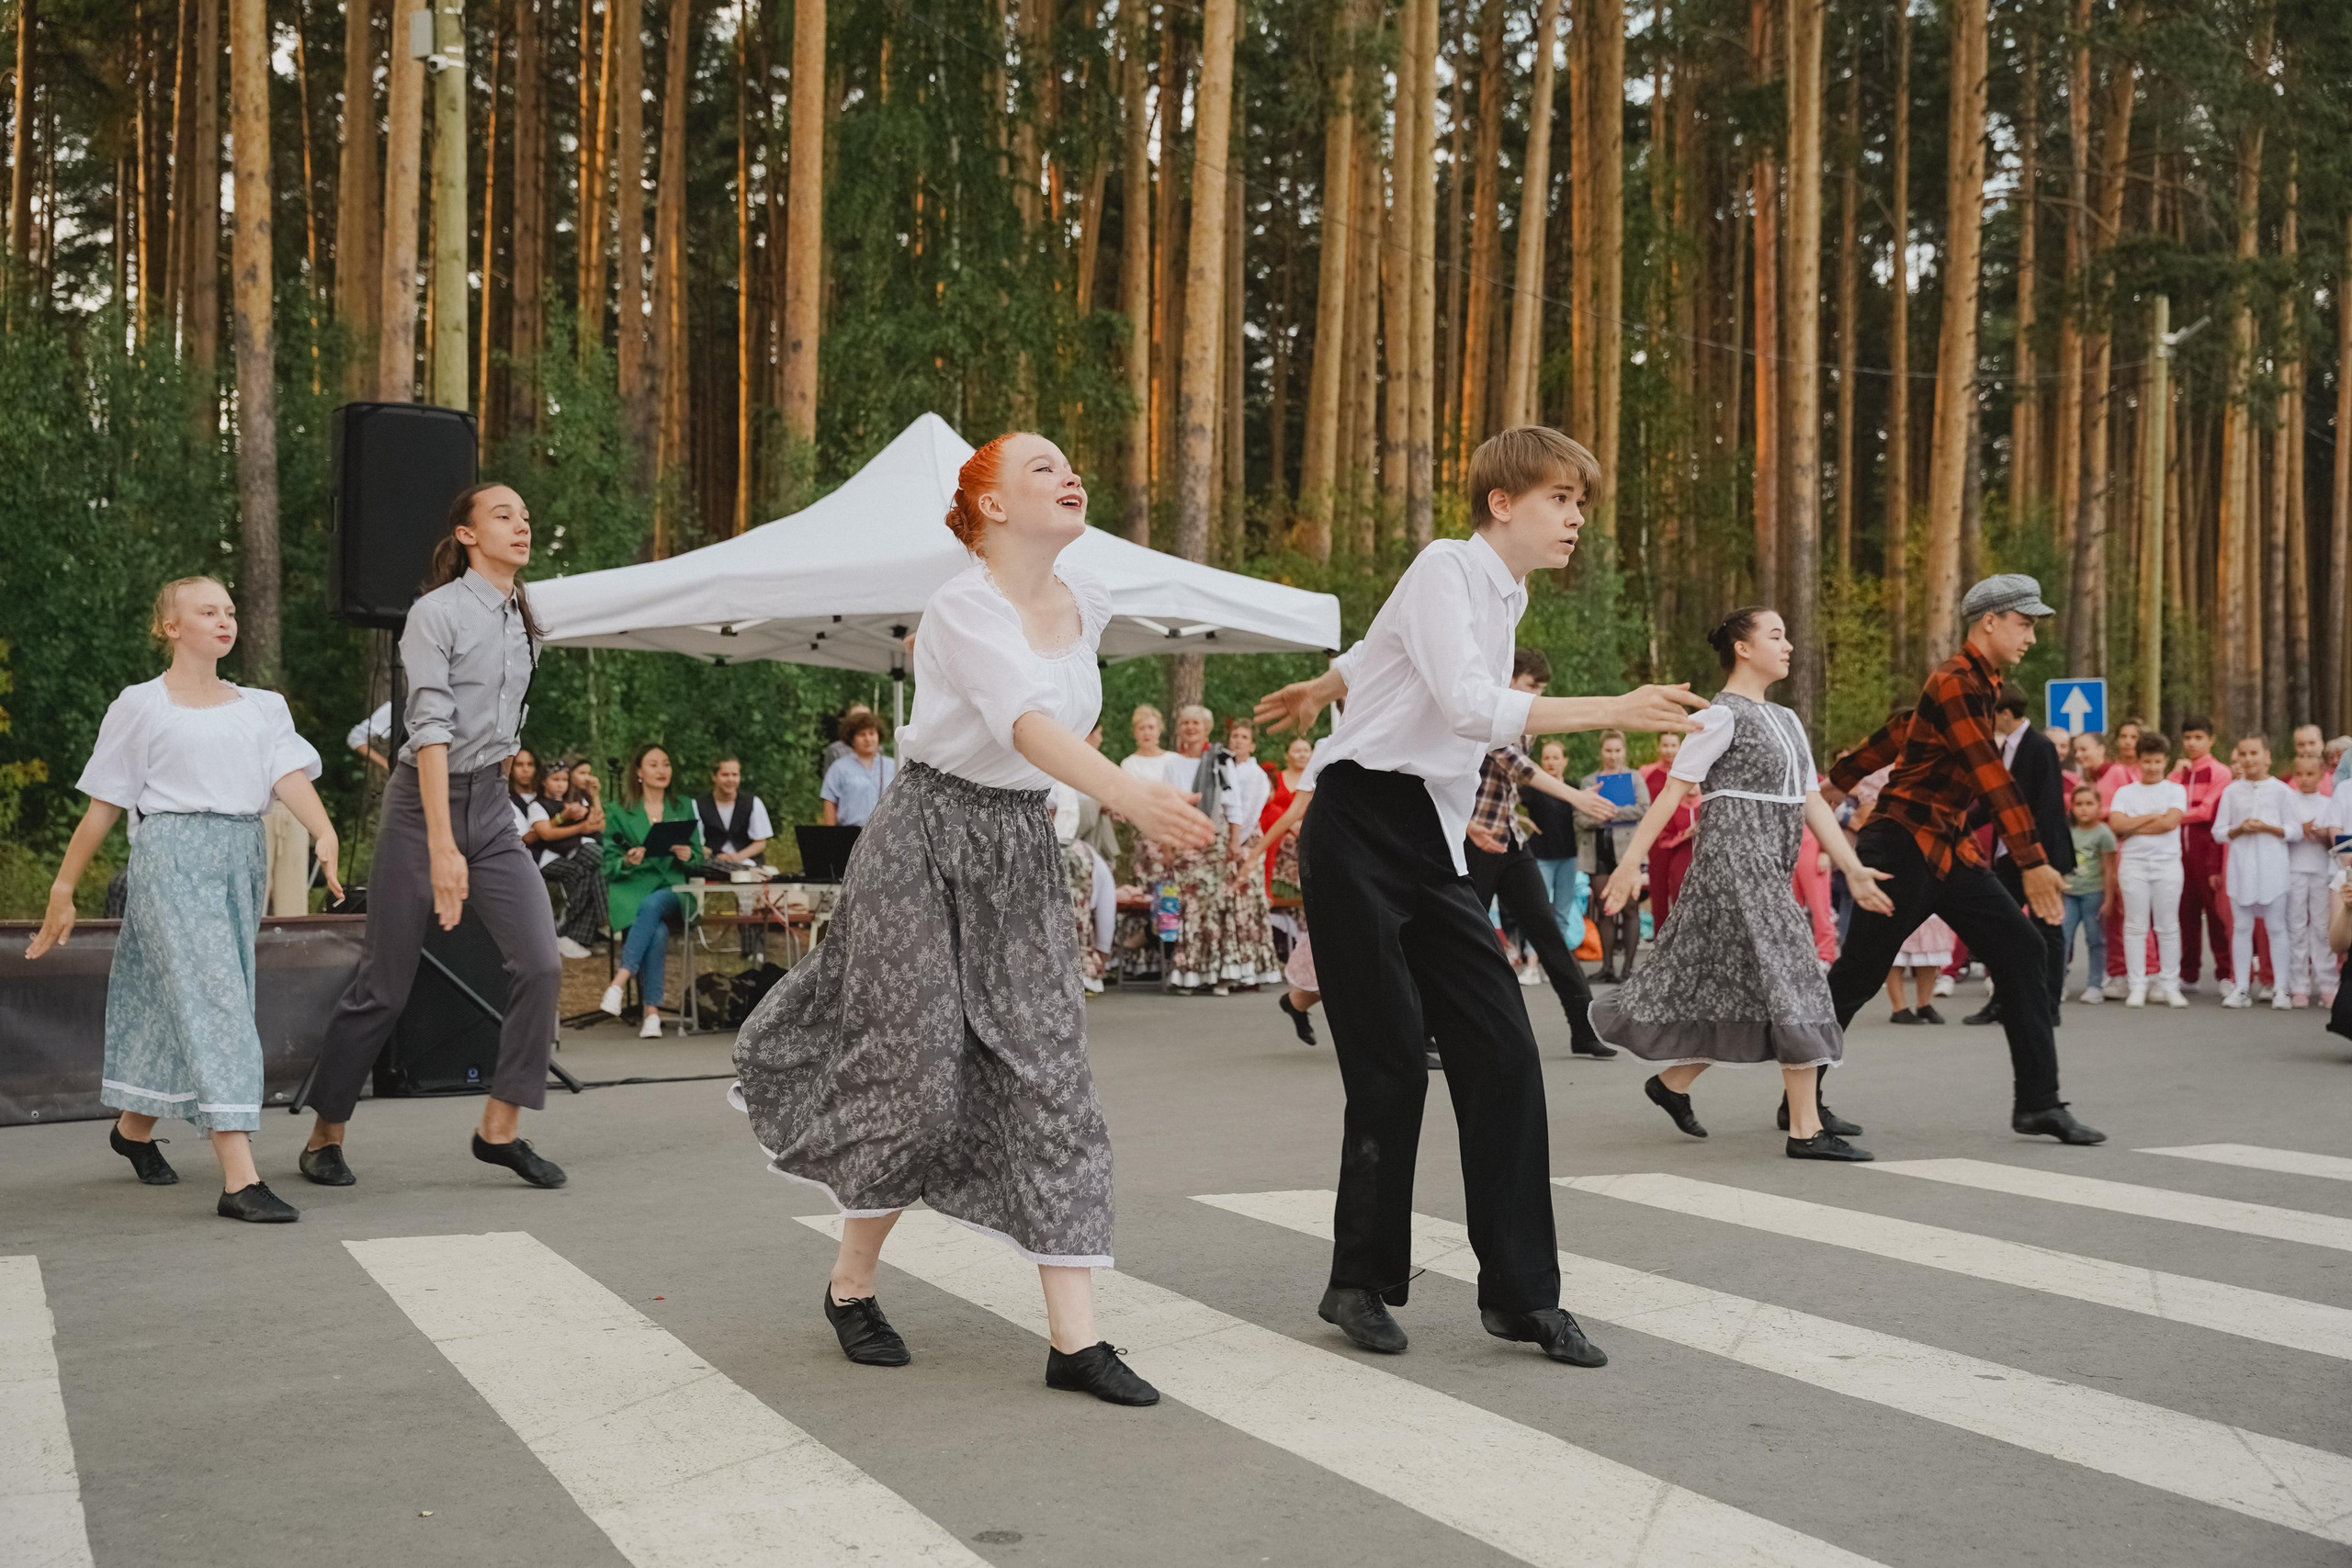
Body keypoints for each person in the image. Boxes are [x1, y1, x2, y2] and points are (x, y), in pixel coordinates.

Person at [731, 432, 1213, 1406]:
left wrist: (1067, 803)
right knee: (913, 1082)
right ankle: (851, 1285)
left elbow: (1056, 736)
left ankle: (1074, 1343)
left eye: (1071, 463)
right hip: (923, 838)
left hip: (1019, 848)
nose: (1070, 474)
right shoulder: (959, 606)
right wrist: (1125, 794)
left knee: (1050, 1074)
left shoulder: (1095, 602)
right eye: (1041, 467)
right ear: (990, 506)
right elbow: (1022, 723)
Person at [1253, 423, 1707, 1368]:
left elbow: (1381, 648)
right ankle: (1358, 1281)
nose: (1577, 516)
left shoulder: (1501, 592)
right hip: (1356, 827)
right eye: (1560, 499)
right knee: (1386, 1067)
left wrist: (1325, 685)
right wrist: (1616, 708)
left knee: (1502, 1052)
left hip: (1429, 837)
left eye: (1581, 501)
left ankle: (1519, 1297)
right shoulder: (1444, 569)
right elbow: (1465, 706)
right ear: (1503, 503)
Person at [28, 576, 341, 1222]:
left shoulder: (263, 705)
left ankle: (133, 1130)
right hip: (171, 855)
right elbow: (104, 805)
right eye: (207, 610)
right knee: (217, 1000)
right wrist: (63, 888)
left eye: (230, 610)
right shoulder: (141, 705)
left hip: (239, 857)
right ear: (171, 626)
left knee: (186, 1001)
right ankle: (239, 1176)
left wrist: (324, 828)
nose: (224, 619)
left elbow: (286, 776)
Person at [301, 484, 569, 1190]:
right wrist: (444, 846)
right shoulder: (435, 614)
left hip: (490, 803)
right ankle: (325, 1131)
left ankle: (499, 1127)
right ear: (468, 534)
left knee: (540, 964)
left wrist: (488, 816)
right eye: (505, 514)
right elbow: (428, 732)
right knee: (384, 986)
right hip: (425, 806)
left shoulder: (525, 620)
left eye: (526, 513)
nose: (523, 523)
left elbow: (501, 730)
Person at [1593, 607, 1894, 1159]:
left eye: (1787, 636)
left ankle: (1672, 1084)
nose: (1788, 646)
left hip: (1770, 862)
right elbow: (1671, 793)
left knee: (1750, 987)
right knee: (1797, 975)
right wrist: (1631, 861)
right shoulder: (1718, 716)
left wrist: (1851, 866)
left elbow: (1810, 801)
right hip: (1734, 861)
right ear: (1742, 648)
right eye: (1776, 636)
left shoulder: (1788, 719)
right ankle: (1805, 1129)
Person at [1821, 574, 2105, 1145]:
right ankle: (1801, 1097)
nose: (2031, 636)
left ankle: (2039, 1104)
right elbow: (1988, 772)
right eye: (2024, 624)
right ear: (1989, 622)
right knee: (1857, 977)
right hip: (1902, 844)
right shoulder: (1957, 680)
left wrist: (1840, 780)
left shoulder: (1981, 683)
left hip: (1947, 848)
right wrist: (2032, 858)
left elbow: (1906, 727)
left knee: (2022, 949)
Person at [1464, 649, 1621, 1060]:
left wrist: (1520, 817)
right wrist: (1574, 796)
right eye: (1532, 687)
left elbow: (1504, 787)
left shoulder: (1525, 722)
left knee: (1549, 931)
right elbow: (1517, 768)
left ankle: (1583, 1030)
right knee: (1460, 936)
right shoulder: (1487, 713)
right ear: (1510, 679)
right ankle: (1423, 1029)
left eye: (1541, 690)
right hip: (1475, 841)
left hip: (1510, 840)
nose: (1536, 696)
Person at [1962, 689, 2075, 1029]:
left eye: (1990, 714)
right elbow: (1995, 801)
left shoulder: (2040, 747)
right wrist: (1960, 822)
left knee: (2048, 931)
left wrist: (2036, 860)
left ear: (2006, 714)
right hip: (2006, 855)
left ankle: (2049, 1005)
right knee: (2003, 931)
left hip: (2040, 857)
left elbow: (2049, 805)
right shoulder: (2000, 749)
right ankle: (2001, 1002)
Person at [598, 744, 703, 1038]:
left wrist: (687, 856)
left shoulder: (683, 805)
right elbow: (608, 864)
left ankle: (619, 981)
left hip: (675, 889)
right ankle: (651, 1014)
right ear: (639, 773)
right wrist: (628, 861)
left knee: (655, 902)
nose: (662, 770)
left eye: (666, 764)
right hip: (634, 888)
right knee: (655, 930)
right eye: (654, 764)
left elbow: (698, 858)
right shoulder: (619, 811)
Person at [2216, 735, 2298, 1010]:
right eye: (2244, 754)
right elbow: (2218, 831)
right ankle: (2240, 987)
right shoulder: (2231, 792)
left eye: (2254, 753)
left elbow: (2295, 830)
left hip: (2273, 868)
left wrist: (2267, 828)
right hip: (2241, 868)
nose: (2249, 759)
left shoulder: (2282, 791)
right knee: (2241, 928)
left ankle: (2281, 988)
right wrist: (2240, 829)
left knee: (2276, 927)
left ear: (2267, 756)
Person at [2109, 731, 2189, 1008]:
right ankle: (2137, 984)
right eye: (2147, 761)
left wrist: (2134, 825)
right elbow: (2117, 825)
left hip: (2167, 863)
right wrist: (2153, 815)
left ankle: (2169, 984)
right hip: (2134, 864)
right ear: (2139, 761)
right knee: (2134, 925)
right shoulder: (2125, 792)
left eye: (2157, 761)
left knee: (2168, 925)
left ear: (2165, 761)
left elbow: (2170, 823)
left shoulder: (2175, 790)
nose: (2153, 766)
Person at [1576, 731, 1651, 982]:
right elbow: (1580, 819)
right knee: (1605, 909)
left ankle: (1628, 969)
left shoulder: (1634, 777)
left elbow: (1643, 807)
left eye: (1617, 750)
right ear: (1601, 752)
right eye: (1608, 751)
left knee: (1630, 907)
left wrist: (1610, 811)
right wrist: (1598, 817)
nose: (1613, 755)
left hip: (1628, 851)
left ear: (1624, 752)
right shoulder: (1589, 782)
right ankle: (1607, 967)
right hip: (1598, 851)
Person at [2171, 716, 2233, 993]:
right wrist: (2174, 774)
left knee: (2216, 914)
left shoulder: (2220, 772)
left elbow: (2206, 811)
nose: (2192, 743)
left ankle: (2225, 973)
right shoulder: (2179, 772)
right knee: (2185, 914)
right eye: (2187, 738)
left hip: (2207, 850)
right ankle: (2188, 973)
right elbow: (2164, 799)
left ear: (2211, 740)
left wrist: (2171, 817)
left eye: (2198, 737)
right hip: (2177, 852)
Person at [699, 755, 777, 958]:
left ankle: (754, 947)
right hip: (712, 863)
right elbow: (698, 844)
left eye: (735, 774)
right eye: (725, 774)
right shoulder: (698, 804)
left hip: (746, 862)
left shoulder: (752, 803)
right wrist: (718, 856)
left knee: (754, 881)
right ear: (714, 777)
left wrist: (738, 857)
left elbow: (761, 842)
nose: (731, 779)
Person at [526, 762, 605, 958]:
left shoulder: (576, 801)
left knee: (592, 875)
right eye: (556, 780)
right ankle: (608, 915)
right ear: (544, 781)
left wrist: (594, 798)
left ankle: (571, 934)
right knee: (606, 862)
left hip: (582, 848)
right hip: (573, 850)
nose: (561, 785)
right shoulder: (538, 805)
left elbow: (600, 824)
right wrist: (577, 824)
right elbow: (544, 833)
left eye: (564, 780)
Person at [1523, 739, 1590, 942]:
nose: (1551, 762)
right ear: (1541, 762)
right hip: (1541, 858)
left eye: (1555, 758)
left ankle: (1558, 963)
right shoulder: (1532, 788)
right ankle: (1533, 962)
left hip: (1568, 858)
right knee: (1539, 911)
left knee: (1562, 913)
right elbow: (1507, 801)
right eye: (1546, 758)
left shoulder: (1573, 788)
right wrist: (1521, 819)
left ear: (1565, 761)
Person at [2282, 755, 2335, 1009]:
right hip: (2294, 870)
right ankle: (2299, 985)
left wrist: (2326, 836)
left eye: (2310, 774)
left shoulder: (2329, 803)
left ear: (2321, 774)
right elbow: (2281, 832)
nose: (2304, 780)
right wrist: (2297, 829)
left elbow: (2341, 839)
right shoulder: (2288, 801)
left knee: (2322, 929)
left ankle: (2328, 984)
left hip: (2321, 870)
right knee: (2296, 927)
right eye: (2300, 774)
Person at [2061, 785, 2117, 1006]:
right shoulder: (2067, 831)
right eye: (2079, 804)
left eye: (2089, 803)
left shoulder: (2103, 834)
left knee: (2095, 939)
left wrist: (2109, 899)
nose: (2084, 809)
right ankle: (2058, 984)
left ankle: (2095, 985)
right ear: (2072, 808)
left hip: (2093, 894)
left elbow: (2108, 870)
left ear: (2098, 806)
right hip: (2069, 894)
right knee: (2063, 938)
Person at [1637, 732, 1696, 931]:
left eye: (1673, 745)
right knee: (1658, 889)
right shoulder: (1647, 772)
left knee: (1682, 887)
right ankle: (1659, 937)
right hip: (1656, 838)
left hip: (1682, 837)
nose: (1669, 750)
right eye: (1665, 745)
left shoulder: (1688, 771)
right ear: (1658, 747)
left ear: (1680, 748)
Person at [820, 717, 895, 827]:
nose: (868, 739)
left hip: (887, 832)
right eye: (861, 734)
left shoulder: (893, 766)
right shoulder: (839, 768)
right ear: (851, 739)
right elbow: (830, 802)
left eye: (872, 733)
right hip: (850, 834)